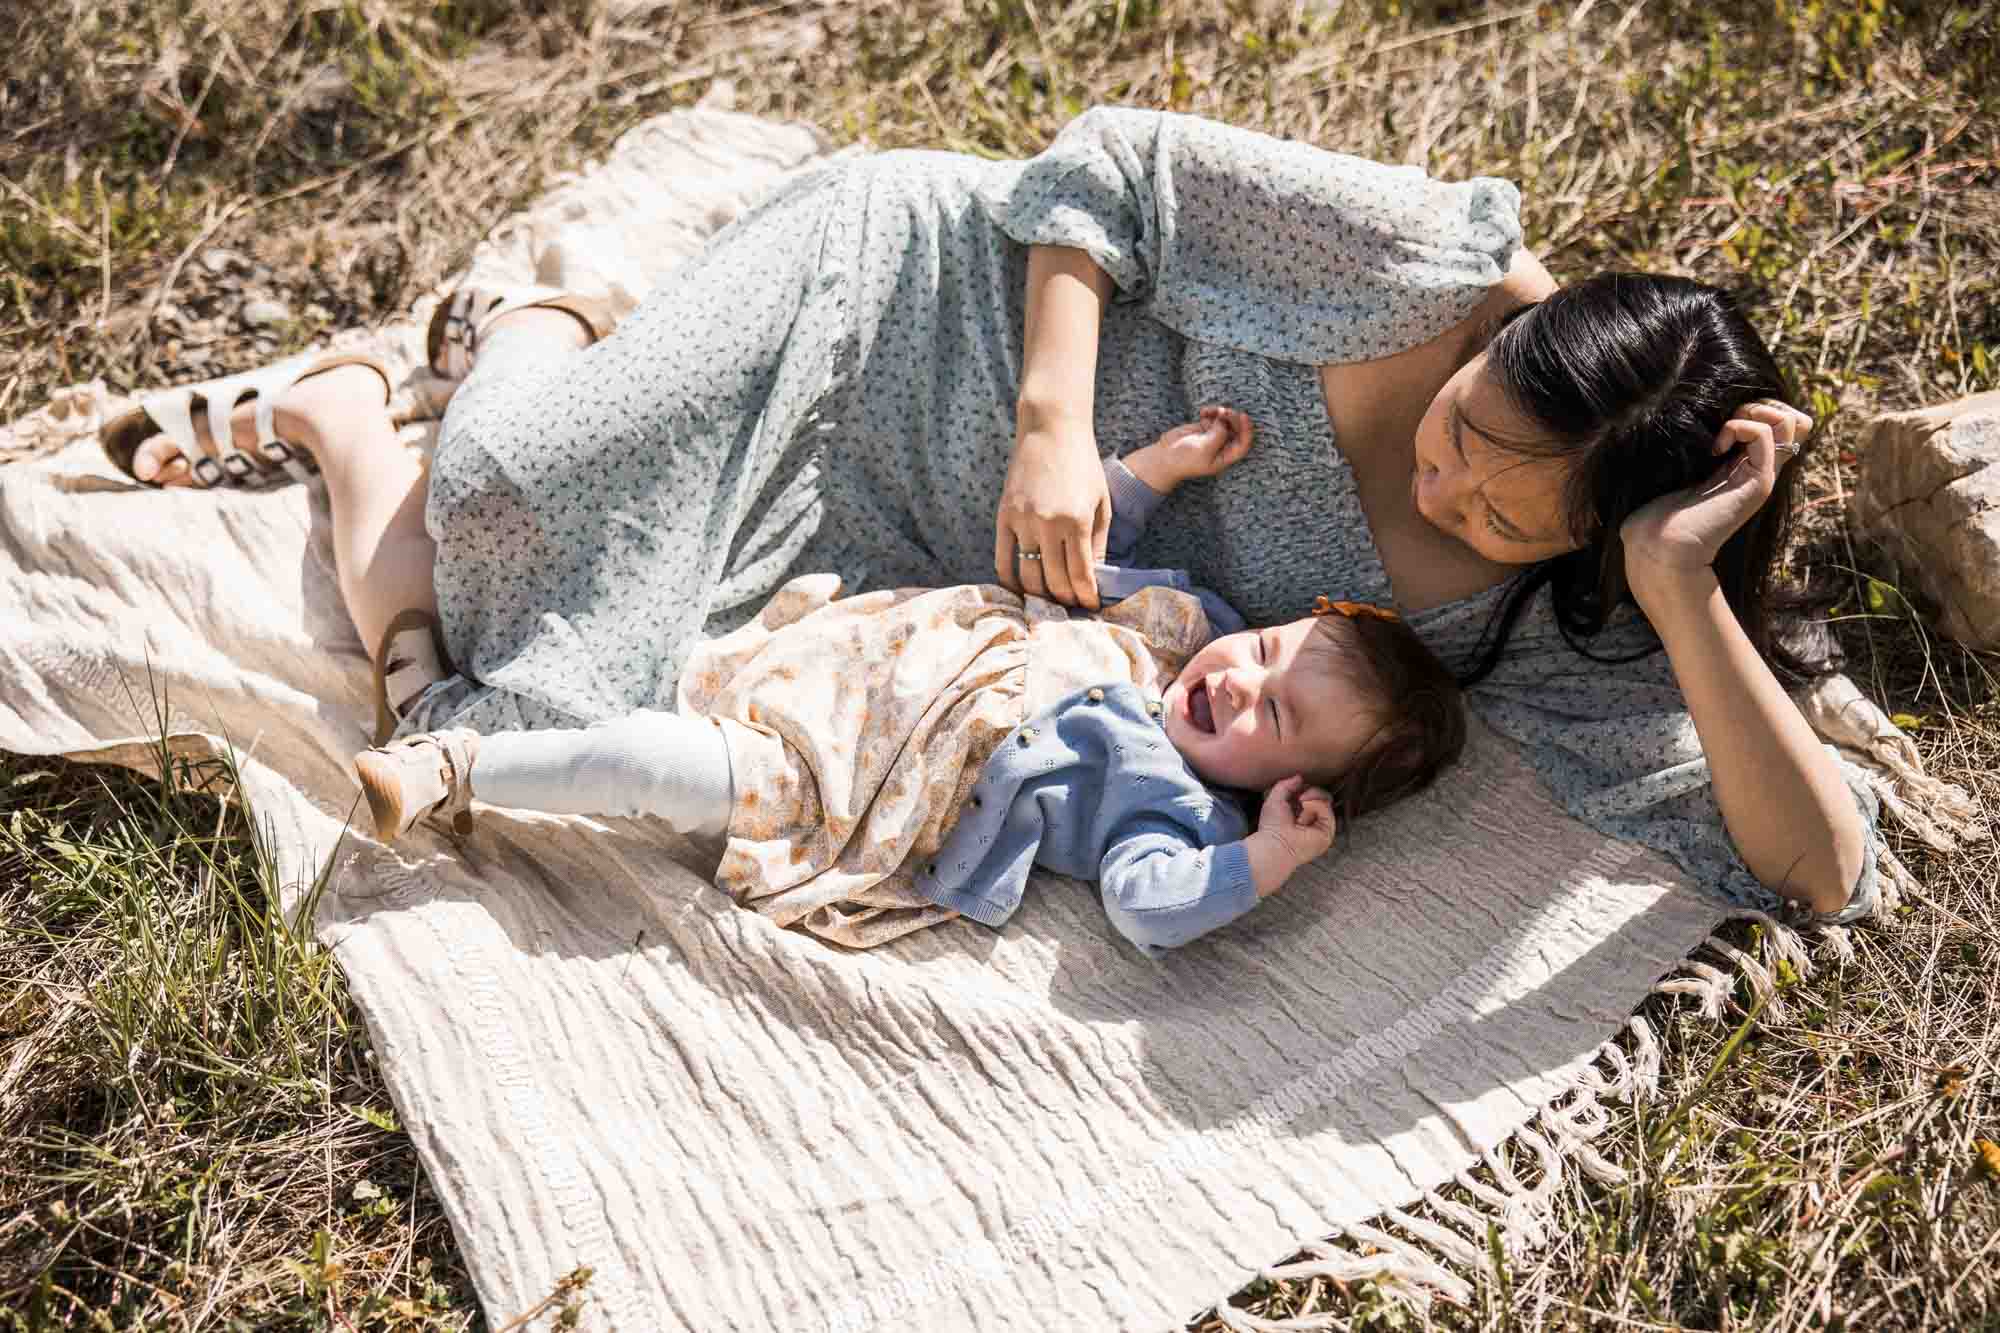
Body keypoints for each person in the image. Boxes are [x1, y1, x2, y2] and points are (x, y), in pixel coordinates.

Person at [100, 106, 1880, 928]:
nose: (1446, 482)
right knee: (498, 500)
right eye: (1466, 424)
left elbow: (1818, 867)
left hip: (915, 566)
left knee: (536, 685)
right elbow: (1099, 168)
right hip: (908, 300)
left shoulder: (1567, 619)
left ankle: (346, 422)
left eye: (1502, 509)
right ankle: (538, 332)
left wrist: (1677, 582)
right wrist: (1048, 422)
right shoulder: (1430, 259)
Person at [346, 409, 1466, 953]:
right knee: (630, 622)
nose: (1241, 681)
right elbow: (1088, 545)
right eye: (1265, 652)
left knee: (648, 764)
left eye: (1273, 718)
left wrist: (1263, 858)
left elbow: (1148, 912)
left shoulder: (1169, 806)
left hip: (843, 788)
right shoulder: (1183, 632)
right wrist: (1156, 469)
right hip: (843, 657)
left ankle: (455, 764)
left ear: (1281, 783)